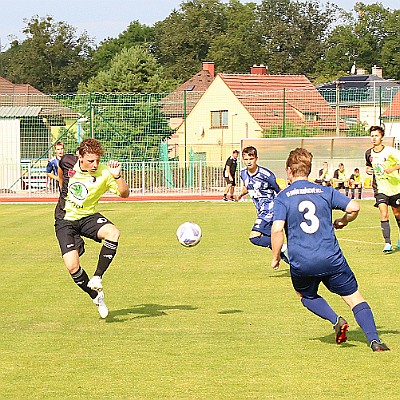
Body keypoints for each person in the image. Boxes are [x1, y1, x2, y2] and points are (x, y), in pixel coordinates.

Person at [271, 147, 389, 352]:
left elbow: (277, 228)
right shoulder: (325, 191)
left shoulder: (284, 197)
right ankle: (375, 341)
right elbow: (354, 207)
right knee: (354, 298)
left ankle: (336, 320)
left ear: (289, 171)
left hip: (302, 261)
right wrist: (343, 221)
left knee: (305, 295)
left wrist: (275, 257)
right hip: (331, 258)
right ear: (308, 169)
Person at [54, 138, 129, 318]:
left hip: (88, 217)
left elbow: (124, 194)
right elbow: (61, 168)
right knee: (72, 267)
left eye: (97, 160)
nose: (95, 164)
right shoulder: (67, 161)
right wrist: (61, 185)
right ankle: (96, 296)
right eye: (90, 161)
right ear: (80, 156)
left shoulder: (105, 172)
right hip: (65, 220)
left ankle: (97, 277)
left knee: (113, 233)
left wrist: (117, 176)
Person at [236, 146, 288, 263]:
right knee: (271, 240)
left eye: (251, 158)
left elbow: (278, 191)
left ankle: (282, 247)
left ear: (256, 159)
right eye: (246, 159)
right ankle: (293, 261)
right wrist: (241, 194)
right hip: (260, 211)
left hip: (270, 210)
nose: (249, 161)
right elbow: (248, 186)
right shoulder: (243, 173)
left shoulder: (267, 175)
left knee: (254, 237)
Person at [365, 125, 400, 253]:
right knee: (384, 214)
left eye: (376, 136)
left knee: (397, 214)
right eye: (372, 136)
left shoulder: (390, 152)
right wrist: (368, 170)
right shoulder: (368, 153)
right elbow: (368, 167)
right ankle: (387, 243)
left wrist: (393, 168)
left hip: (395, 187)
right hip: (380, 189)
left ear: (382, 137)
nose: (374, 138)